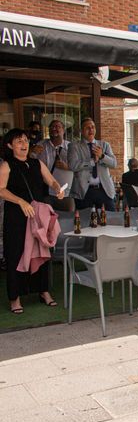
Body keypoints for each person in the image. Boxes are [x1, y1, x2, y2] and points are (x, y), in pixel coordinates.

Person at [0, 129, 64, 314]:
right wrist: (20, 201)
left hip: (37, 214)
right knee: (16, 254)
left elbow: (51, 181)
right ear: (10, 145)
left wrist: (58, 188)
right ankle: (15, 298)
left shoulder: (37, 163)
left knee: (42, 252)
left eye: (26, 140)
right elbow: (1, 190)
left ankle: (43, 291)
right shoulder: (7, 165)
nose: (24, 144)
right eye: (19, 141)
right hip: (17, 216)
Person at [68, 117, 117, 211]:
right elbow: (73, 166)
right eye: (87, 128)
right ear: (81, 131)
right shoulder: (74, 146)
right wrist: (91, 162)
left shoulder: (104, 145)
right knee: (84, 222)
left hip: (104, 190)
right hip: (84, 191)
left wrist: (102, 156)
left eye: (93, 127)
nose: (91, 130)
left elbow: (114, 164)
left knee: (110, 220)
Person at [31, 119, 74, 211]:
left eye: (58, 126)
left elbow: (80, 167)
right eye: (52, 127)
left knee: (68, 221)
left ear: (63, 130)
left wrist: (67, 167)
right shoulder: (40, 145)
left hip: (65, 193)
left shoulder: (71, 147)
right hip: (44, 192)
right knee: (45, 221)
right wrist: (31, 151)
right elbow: (30, 163)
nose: (54, 128)